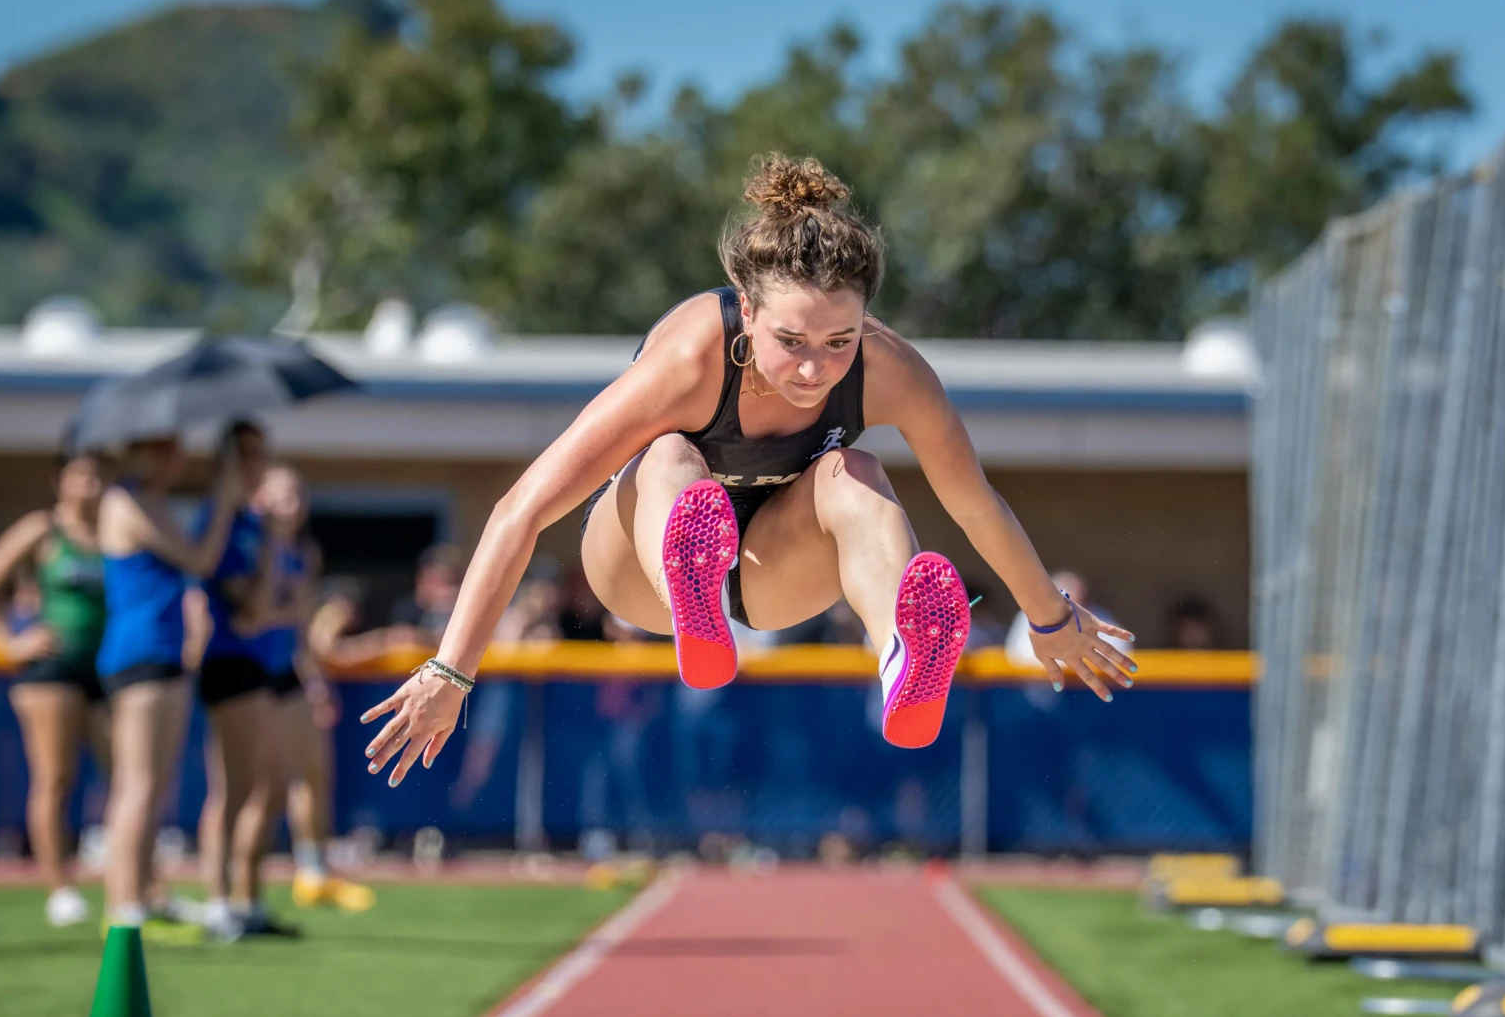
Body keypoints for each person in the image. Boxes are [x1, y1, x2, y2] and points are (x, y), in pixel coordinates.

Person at [361, 154, 1135, 782]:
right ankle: (688, 586)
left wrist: (1050, 619)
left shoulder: (892, 369)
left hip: (770, 573)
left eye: (839, 342)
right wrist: (451, 671)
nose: (815, 369)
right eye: (792, 341)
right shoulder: (690, 357)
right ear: (749, 309)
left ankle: (901, 653)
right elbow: (522, 508)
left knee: (857, 472)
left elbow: (973, 501)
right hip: (636, 570)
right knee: (671, 453)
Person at [95, 425, 242, 940]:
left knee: (153, 787)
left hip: (164, 655)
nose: (175, 457)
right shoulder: (126, 500)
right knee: (136, 786)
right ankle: (123, 906)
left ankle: (144, 896)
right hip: (141, 655)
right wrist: (223, 499)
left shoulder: (152, 501)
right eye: (163, 447)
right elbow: (200, 558)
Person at [0, 433, 111, 927]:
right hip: (50, 671)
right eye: (81, 475)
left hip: (104, 670)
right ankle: (59, 887)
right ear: (59, 479)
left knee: (126, 776)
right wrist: (11, 642)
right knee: (55, 778)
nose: (91, 485)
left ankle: (137, 881)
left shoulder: (112, 532)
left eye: (98, 475)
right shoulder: (42, 529)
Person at [247, 465, 372, 914]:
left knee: (314, 773)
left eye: (298, 495)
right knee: (259, 789)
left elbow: (300, 627)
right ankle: (237, 892)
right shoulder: (250, 545)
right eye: (282, 495)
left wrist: (315, 681)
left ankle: (314, 871)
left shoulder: (303, 551)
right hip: (250, 674)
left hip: (289, 673)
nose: (293, 504)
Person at [189, 419, 278, 940]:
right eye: (244, 454)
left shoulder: (253, 521)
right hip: (226, 658)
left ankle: (245, 899)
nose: (254, 464)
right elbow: (243, 601)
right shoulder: (216, 516)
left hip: (254, 659)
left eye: (259, 453)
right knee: (230, 789)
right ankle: (219, 901)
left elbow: (265, 602)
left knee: (255, 788)